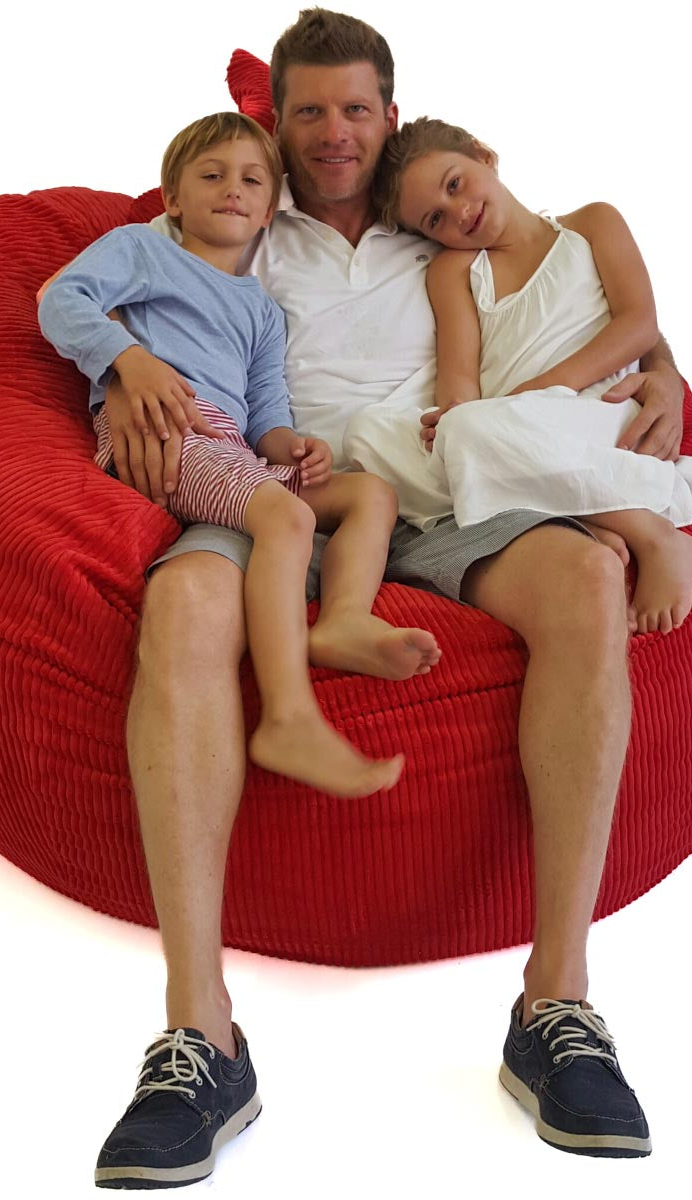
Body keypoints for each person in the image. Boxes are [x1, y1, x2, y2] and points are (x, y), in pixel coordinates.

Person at [89, 9, 691, 1186]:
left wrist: (665, 375)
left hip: (438, 487)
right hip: (268, 483)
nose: (333, 134)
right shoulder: (239, 208)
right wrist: (119, 370)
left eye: (355, 109)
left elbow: (576, 306)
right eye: (308, 111)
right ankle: (200, 1036)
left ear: (392, 115)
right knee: (185, 606)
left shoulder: (443, 228)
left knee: (586, 573)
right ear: (272, 121)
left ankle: (556, 1005)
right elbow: (126, 295)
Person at [39, 111, 440, 804]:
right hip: (168, 433)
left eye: (253, 180)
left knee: (369, 493)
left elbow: (264, 410)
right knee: (286, 518)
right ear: (173, 198)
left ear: (269, 209)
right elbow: (62, 300)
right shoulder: (143, 250)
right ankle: (287, 717)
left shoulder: (260, 308)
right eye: (212, 175)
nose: (233, 188)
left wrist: (294, 448)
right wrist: (129, 361)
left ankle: (342, 618)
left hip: (230, 448)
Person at [352, 116, 692, 635]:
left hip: (597, 416)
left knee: (473, 435)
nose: (459, 212)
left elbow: (639, 324)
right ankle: (580, 509)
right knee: (368, 434)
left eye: (455, 183)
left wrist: (533, 394)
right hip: (511, 430)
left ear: (483, 155)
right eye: (436, 219)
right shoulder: (454, 271)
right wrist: (455, 418)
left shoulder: (591, 225)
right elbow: (459, 383)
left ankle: (653, 535)